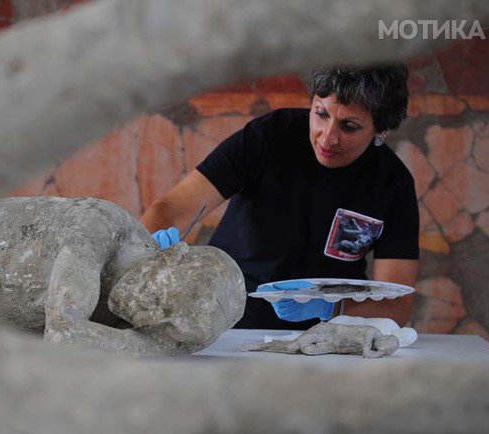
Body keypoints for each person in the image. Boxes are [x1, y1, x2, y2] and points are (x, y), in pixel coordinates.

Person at [141, 64, 418, 330]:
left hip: (327, 340)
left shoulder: (393, 184)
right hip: (224, 322)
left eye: (349, 126)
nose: (327, 138)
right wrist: (148, 249)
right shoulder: (269, 136)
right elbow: (171, 208)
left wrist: (328, 308)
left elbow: (397, 306)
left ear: (381, 130)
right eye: (321, 114)